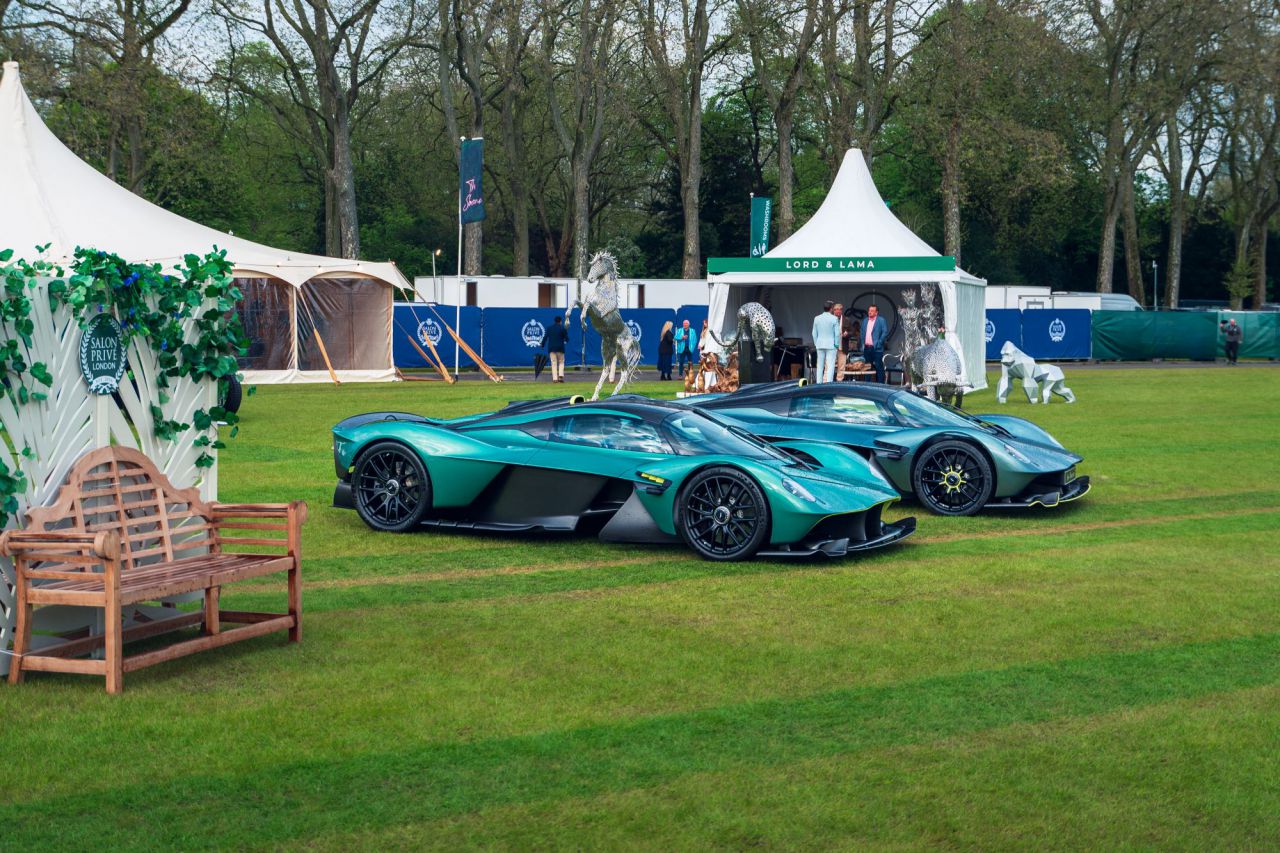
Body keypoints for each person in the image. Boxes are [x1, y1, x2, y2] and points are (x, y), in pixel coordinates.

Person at [811, 300, 840, 383]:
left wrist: (816, 343)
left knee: (820, 366)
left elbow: (814, 333)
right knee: (830, 366)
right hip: (831, 345)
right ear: (831, 309)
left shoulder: (817, 318)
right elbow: (837, 334)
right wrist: (836, 344)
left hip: (820, 344)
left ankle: (818, 384)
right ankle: (829, 384)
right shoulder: (834, 318)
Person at [833, 303, 860, 381]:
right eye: (836, 310)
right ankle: (828, 382)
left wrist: (847, 333)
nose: (837, 311)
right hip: (832, 347)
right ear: (833, 311)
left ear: (841, 310)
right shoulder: (830, 320)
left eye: (839, 310)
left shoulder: (846, 320)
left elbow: (853, 332)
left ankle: (839, 381)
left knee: (841, 365)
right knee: (829, 365)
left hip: (842, 346)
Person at [862, 303, 888, 383]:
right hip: (867, 347)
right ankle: (867, 385)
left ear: (876, 312)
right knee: (867, 367)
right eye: (869, 310)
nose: (870, 312)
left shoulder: (881, 320)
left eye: (872, 311)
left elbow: (885, 332)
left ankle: (881, 385)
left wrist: (879, 342)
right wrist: (863, 343)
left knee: (878, 366)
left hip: (877, 348)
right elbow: (862, 332)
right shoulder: (865, 320)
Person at [544, 315, 569, 383]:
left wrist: (542, 344)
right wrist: (565, 340)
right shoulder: (562, 328)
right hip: (560, 348)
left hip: (552, 348)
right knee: (561, 362)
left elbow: (545, 337)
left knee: (554, 363)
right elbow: (567, 338)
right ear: (560, 321)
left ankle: (555, 379)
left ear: (555, 321)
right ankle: (560, 376)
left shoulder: (549, 328)